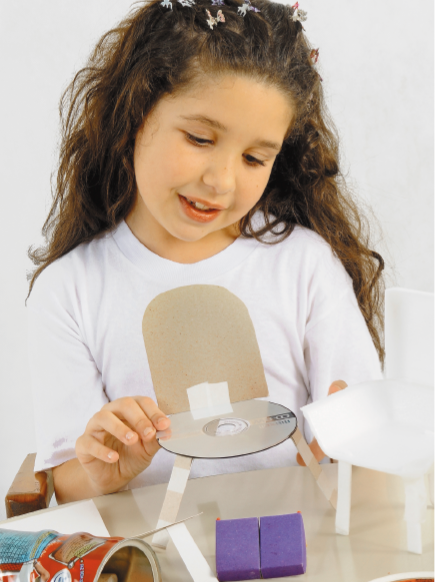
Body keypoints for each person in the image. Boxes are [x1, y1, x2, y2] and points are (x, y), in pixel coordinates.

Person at [27, 0, 384, 504]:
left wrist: (353, 436)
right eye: (199, 138)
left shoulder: (303, 264)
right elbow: (64, 477)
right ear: (134, 117)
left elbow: (364, 423)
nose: (221, 180)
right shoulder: (70, 291)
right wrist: (104, 471)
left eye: (255, 157)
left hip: (298, 549)